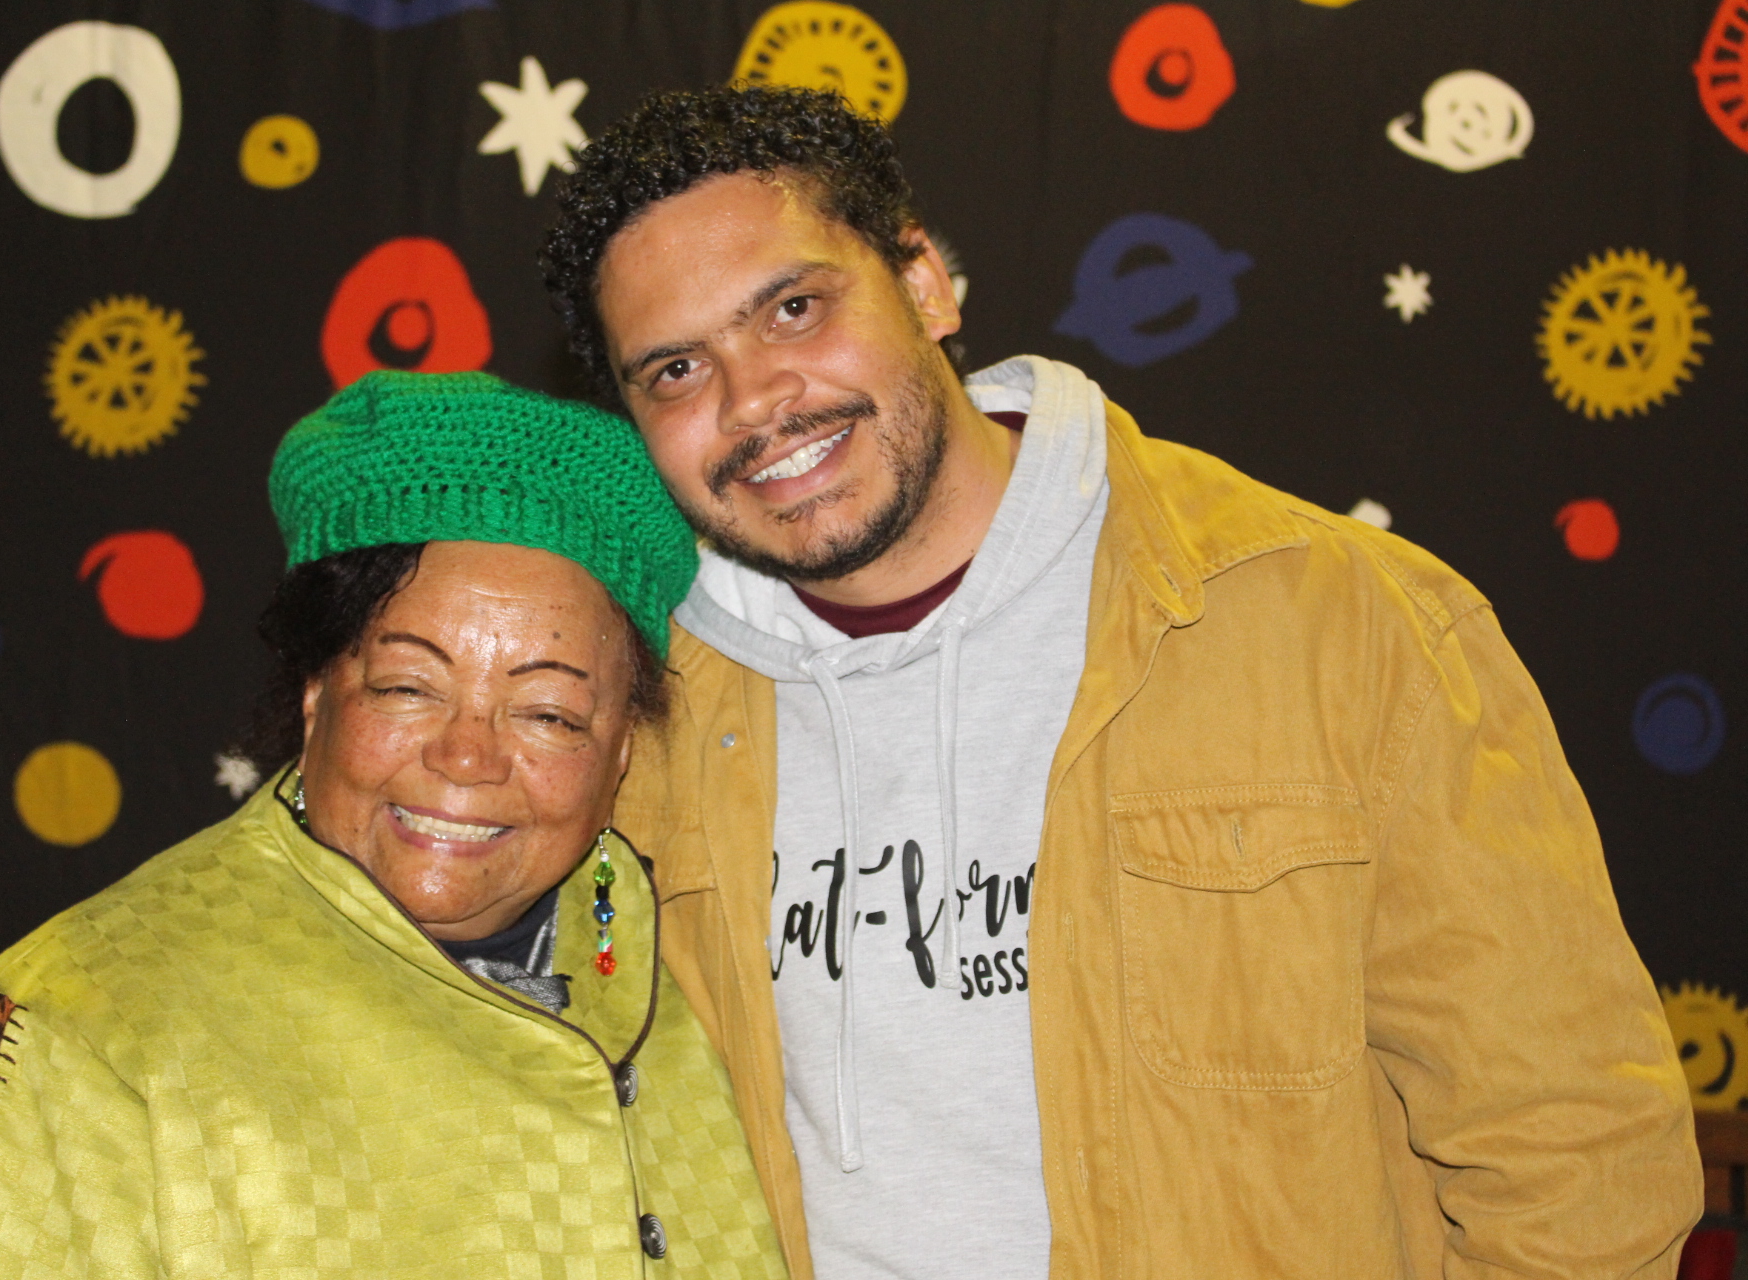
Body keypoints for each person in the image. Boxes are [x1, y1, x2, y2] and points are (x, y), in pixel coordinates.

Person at [538, 86, 1704, 1279]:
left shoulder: (1344, 622)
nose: (753, 400)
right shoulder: (630, 709)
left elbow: (1577, 1159)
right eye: (676, 368)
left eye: (794, 308)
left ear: (926, 283)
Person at [0, 371, 789, 1280]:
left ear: (622, 748)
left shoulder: (698, 978)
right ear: (319, 691)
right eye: (408, 687)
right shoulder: (72, 1040)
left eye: (548, 713)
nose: (467, 758)